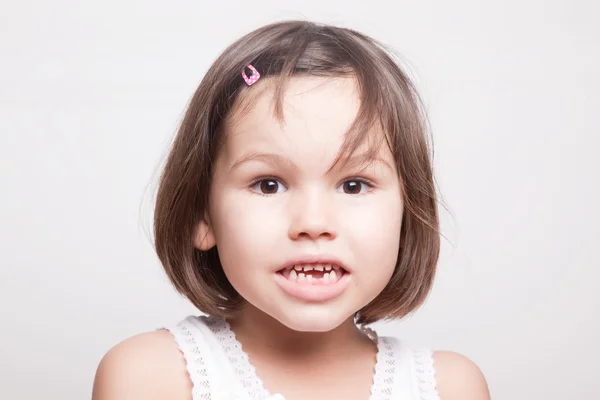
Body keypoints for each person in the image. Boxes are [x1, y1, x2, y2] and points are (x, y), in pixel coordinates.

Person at [92, 20, 490, 400]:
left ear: (408, 213)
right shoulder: (150, 377)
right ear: (203, 215)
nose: (313, 223)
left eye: (354, 185)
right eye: (268, 185)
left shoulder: (449, 388)